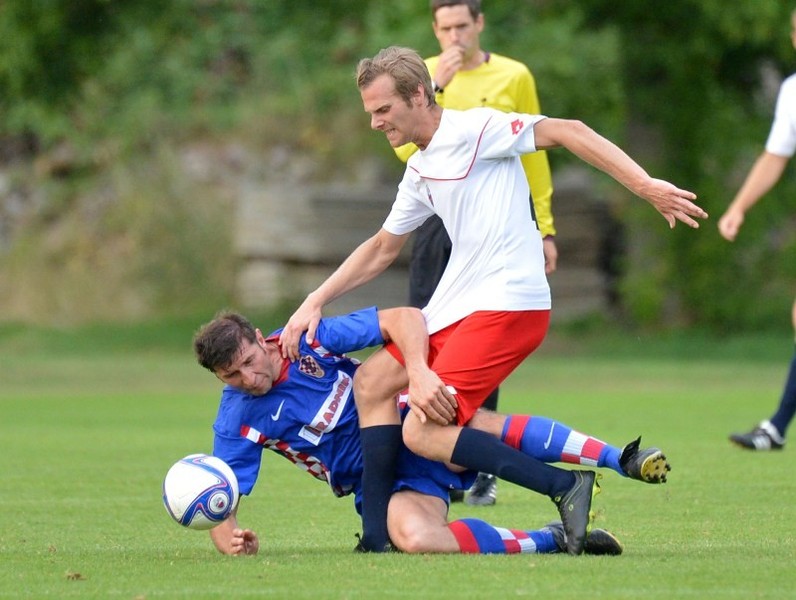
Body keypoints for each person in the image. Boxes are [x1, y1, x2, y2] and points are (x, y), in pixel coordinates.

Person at [279, 45, 698, 554]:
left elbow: (569, 130)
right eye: (370, 112)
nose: (375, 123)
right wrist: (316, 299)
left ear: (419, 95)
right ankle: (374, 540)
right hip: (459, 307)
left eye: (383, 109)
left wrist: (645, 185)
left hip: (509, 303)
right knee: (371, 382)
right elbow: (383, 247)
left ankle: (565, 486)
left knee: (422, 433)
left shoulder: (477, 129)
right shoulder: (420, 169)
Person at [193, 305, 657, 556]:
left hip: (410, 422)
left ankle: (619, 458)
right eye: (231, 376)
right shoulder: (237, 417)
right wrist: (229, 540)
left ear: (261, 339)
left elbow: (405, 318)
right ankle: (549, 539)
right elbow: (220, 493)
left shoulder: (308, 338)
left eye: (249, 362)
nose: (248, 379)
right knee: (415, 539)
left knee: (470, 425)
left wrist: (416, 370)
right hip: (380, 484)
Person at [395, 0, 558, 505]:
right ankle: (433, 451)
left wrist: (545, 227)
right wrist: (437, 85)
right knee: (429, 332)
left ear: (479, 24)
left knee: (485, 337)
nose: (455, 37)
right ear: (434, 29)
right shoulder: (420, 78)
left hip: (497, 222)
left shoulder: (513, 74)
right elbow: (405, 151)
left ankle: (480, 462)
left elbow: (535, 153)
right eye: (445, 28)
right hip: (439, 220)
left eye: (462, 26)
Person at [719, 8, 796, 452]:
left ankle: (778, 427)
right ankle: (778, 427)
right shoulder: (792, 90)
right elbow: (775, 155)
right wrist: (739, 206)